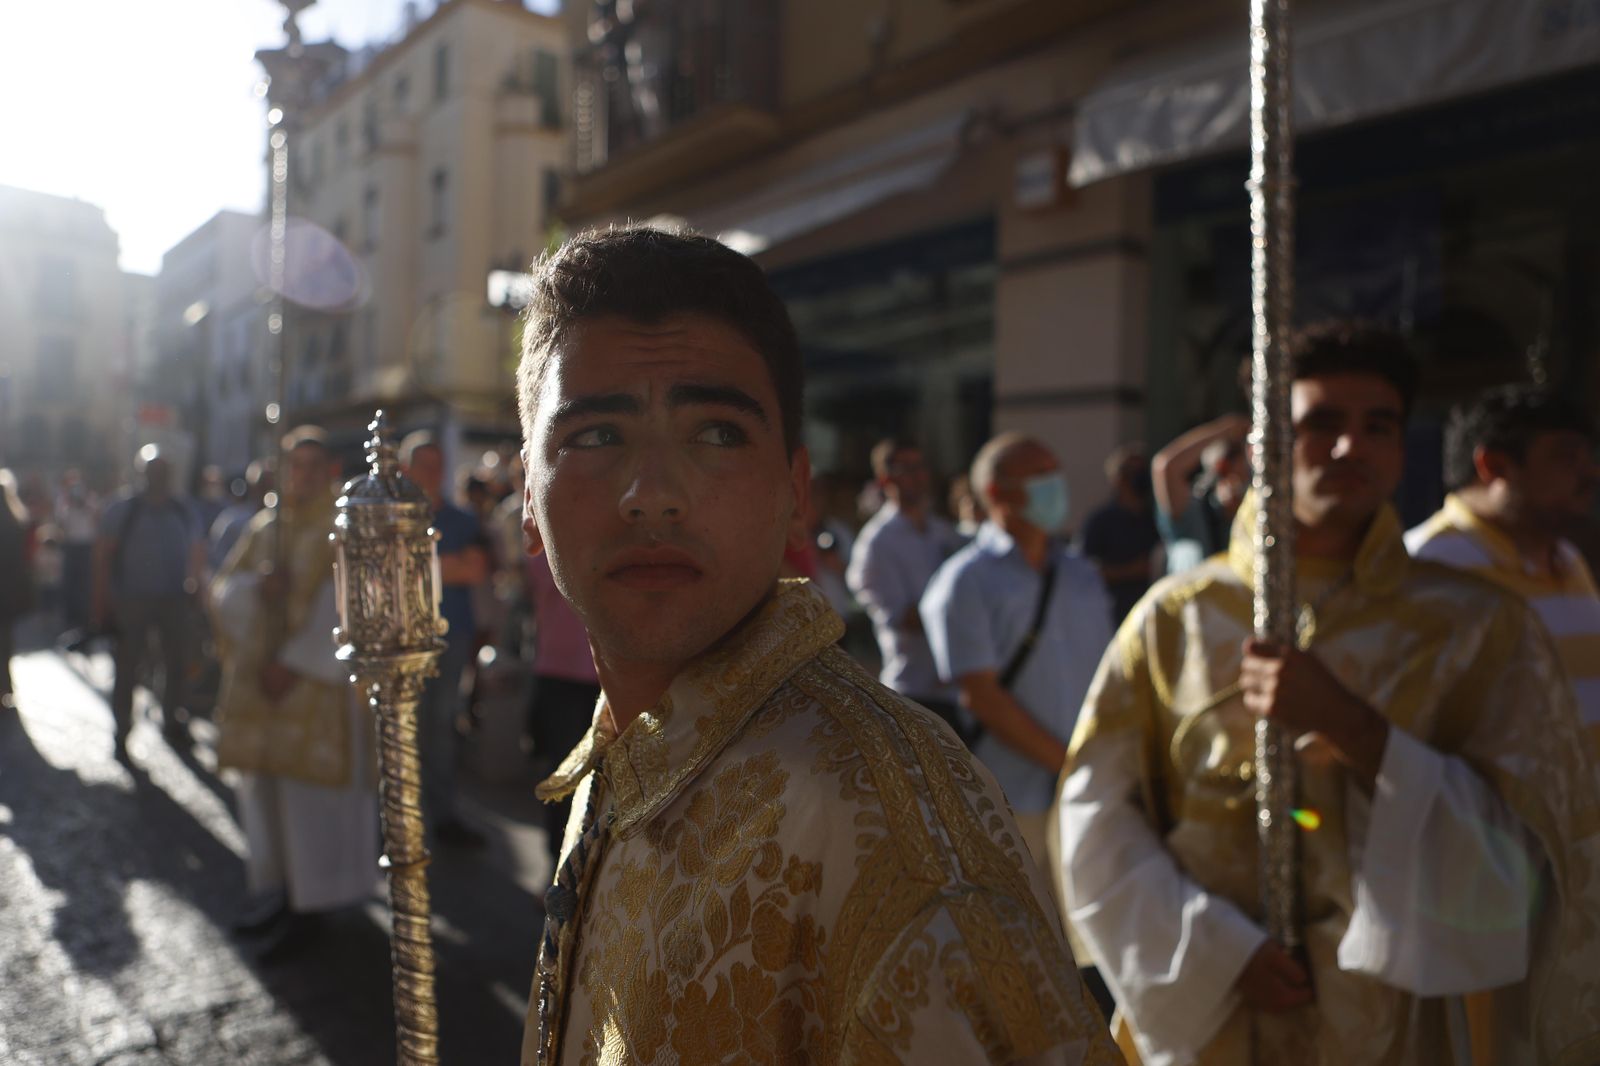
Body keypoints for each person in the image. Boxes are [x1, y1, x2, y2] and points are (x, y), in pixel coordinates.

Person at [515, 226, 1118, 1066]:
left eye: (718, 433)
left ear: (795, 494)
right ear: (527, 502)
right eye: (594, 437)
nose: (652, 496)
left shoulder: (891, 832)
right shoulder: (625, 750)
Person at [1057, 322, 1600, 1065]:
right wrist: (1212, 951)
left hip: (1387, 1022)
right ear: (1261, 449)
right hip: (1208, 1011)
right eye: (1321, 424)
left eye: (1377, 426)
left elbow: (1534, 847)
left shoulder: (1474, 626)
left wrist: (1358, 732)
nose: (1351, 448)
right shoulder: (1178, 617)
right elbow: (1097, 816)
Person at [920, 434, 1114, 1012]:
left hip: (1088, 787)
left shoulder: (1079, 572)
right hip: (1014, 797)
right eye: (1041, 474)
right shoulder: (964, 582)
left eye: (1056, 469)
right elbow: (982, 696)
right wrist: (1067, 760)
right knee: (1021, 944)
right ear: (999, 493)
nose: (1057, 483)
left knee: (1092, 941)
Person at [210, 427, 377, 958]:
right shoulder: (266, 527)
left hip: (315, 690)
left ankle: (314, 906)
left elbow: (349, 606)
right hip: (263, 689)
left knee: (311, 806)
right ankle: (279, 894)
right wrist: (258, 590)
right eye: (292, 466)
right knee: (266, 797)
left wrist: (295, 662)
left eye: (311, 466)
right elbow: (224, 590)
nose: (300, 476)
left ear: (328, 470)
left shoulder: (343, 526)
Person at [1406, 385, 1600, 754]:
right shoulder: (1427, 564)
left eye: (1588, 457)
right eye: (1566, 458)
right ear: (1494, 465)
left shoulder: (1566, 557)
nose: (1590, 473)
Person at [400, 429, 491, 847]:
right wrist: (442, 566)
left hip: (450, 636)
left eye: (437, 465)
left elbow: (473, 570)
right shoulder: (394, 518)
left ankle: (440, 814)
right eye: (424, 465)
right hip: (402, 642)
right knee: (404, 729)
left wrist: (416, 567)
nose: (432, 473)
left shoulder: (462, 520)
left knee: (439, 727)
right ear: (406, 469)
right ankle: (404, 818)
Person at [92, 446, 206, 762]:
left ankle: (172, 719)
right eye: (153, 472)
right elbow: (102, 557)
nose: (159, 478)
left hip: (174, 599)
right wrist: (101, 602)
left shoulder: (184, 510)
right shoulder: (123, 510)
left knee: (176, 663)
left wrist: (196, 588)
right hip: (131, 601)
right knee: (128, 667)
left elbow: (197, 551)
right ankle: (122, 729)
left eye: (163, 472)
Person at [846, 438, 965, 730]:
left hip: (957, 690)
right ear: (886, 479)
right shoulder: (877, 543)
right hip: (914, 691)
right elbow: (904, 618)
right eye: (907, 468)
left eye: (921, 466)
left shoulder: (942, 532)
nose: (919, 475)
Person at [524, 549, 601, 875]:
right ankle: (557, 868)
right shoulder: (549, 544)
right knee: (563, 778)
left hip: (609, 675)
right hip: (561, 673)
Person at [1151, 414, 1250, 575]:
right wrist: (1227, 430)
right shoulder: (1193, 510)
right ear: (1221, 466)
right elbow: (1165, 467)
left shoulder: (1250, 510)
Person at [1078, 445, 1161, 625]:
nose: (1141, 476)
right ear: (1118, 479)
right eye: (1134, 471)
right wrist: (1130, 571)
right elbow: (1084, 570)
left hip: (1153, 614)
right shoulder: (1101, 521)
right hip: (1115, 614)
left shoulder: (1155, 518)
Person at [0, 470, 34, 711]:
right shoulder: (17, 522)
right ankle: (5, 685)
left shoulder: (16, 524)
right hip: (8, 591)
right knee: (6, 640)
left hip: (6, 588)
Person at [209, 458, 274, 573]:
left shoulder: (282, 523)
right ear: (254, 488)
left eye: (271, 486)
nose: (267, 492)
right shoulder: (234, 521)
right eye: (263, 486)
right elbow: (218, 560)